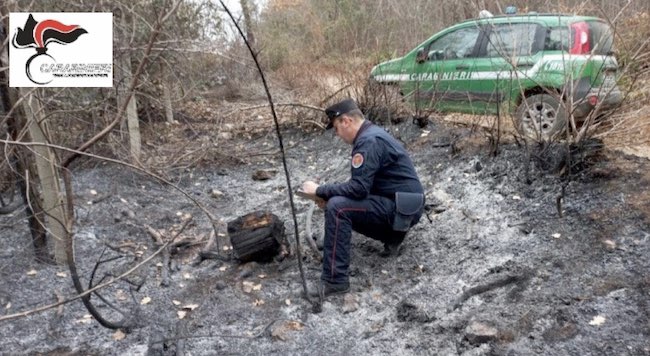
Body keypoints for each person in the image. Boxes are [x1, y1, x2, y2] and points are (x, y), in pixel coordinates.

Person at [301, 98, 425, 298]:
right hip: (405, 206)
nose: (337, 134)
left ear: (346, 121)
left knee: (338, 207)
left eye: (336, 128)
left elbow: (358, 190)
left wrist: (320, 190)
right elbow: (363, 186)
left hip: (400, 210)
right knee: (337, 200)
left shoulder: (368, 141)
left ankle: (335, 281)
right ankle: (393, 239)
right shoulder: (372, 134)